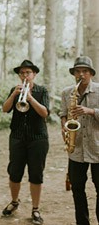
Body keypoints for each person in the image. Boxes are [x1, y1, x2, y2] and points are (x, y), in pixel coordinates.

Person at [0, 60, 49, 224]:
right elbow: (5, 109)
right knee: (14, 172)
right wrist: (14, 95)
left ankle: (35, 208)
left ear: (34, 74)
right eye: (22, 73)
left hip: (38, 138)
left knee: (36, 174)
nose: (25, 76)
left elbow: (44, 113)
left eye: (28, 73)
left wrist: (30, 98)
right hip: (17, 137)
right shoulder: (15, 90)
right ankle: (14, 202)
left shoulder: (42, 91)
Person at [61, 56, 99, 225]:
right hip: (76, 148)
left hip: (97, 147)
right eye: (78, 71)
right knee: (77, 189)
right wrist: (64, 127)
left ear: (91, 73)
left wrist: (90, 111)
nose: (81, 74)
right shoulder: (67, 92)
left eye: (85, 71)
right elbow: (63, 114)